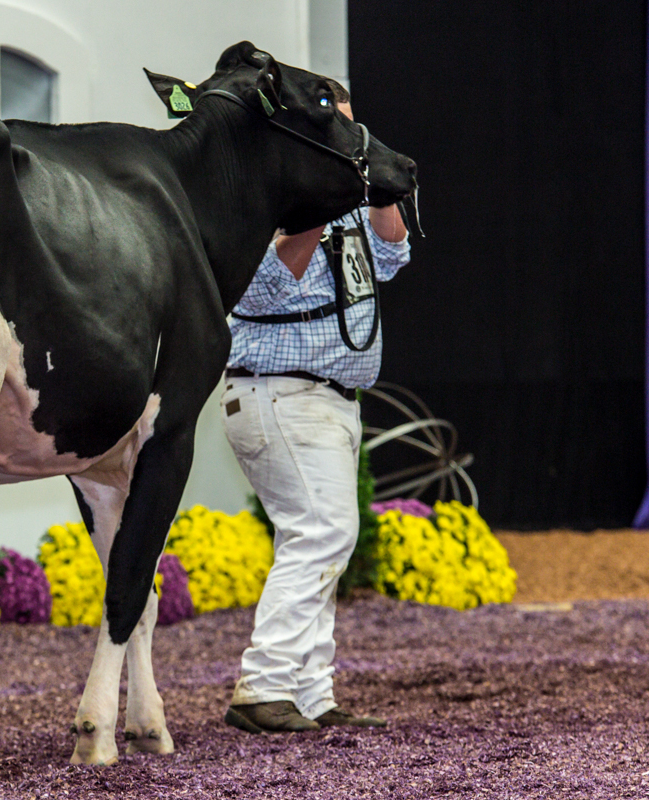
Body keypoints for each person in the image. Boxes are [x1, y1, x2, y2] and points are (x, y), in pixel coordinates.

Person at [220, 84, 410, 734]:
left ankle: (310, 692)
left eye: (355, 132)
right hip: (280, 391)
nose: (350, 145)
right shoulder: (266, 193)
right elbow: (258, 290)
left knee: (319, 537)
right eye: (338, 134)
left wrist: (380, 188)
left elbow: (391, 256)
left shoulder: (348, 197)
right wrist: (317, 206)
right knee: (324, 535)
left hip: (327, 399)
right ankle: (264, 684)